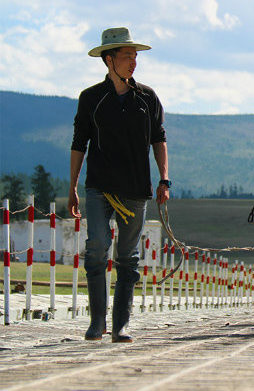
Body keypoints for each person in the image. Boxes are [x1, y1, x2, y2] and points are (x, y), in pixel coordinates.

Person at [69, 27, 170, 343]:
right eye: (127, 56)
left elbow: (159, 139)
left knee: (128, 257)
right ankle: (97, 323)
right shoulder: (91, 99)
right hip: (99, 188)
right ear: (109, 59)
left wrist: (164, 178)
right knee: (97, 247)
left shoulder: (147, 98)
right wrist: (72, 187)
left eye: (135, 56)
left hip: (136, 190)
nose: (134, 62)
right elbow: (78, 144)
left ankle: (121, 325)